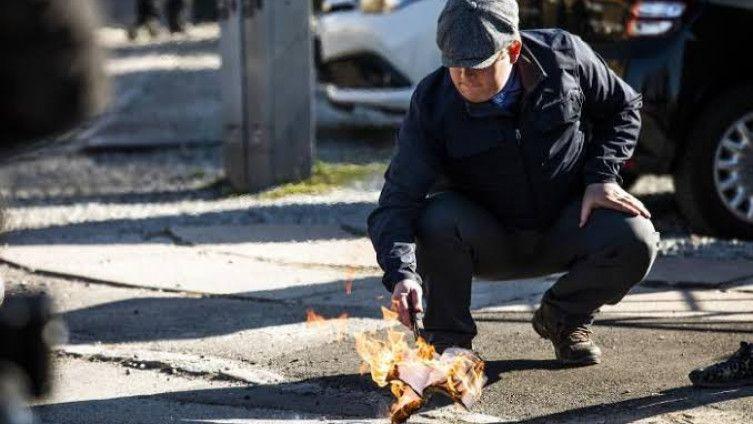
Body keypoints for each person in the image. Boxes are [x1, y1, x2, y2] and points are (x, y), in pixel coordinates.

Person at [367, 0, 660, 366]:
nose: (462, 76)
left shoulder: (563, 56)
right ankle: (448, 343)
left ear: (514, 49)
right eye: (453, 64)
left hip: (567, 224)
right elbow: (395, 203)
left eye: (476, 67)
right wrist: (402, 275)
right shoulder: (432, 102)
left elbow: (624, 106)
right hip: (490, 238)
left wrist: (602, 176)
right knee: (434, 219)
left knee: (636, 235)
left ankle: (563, 318)